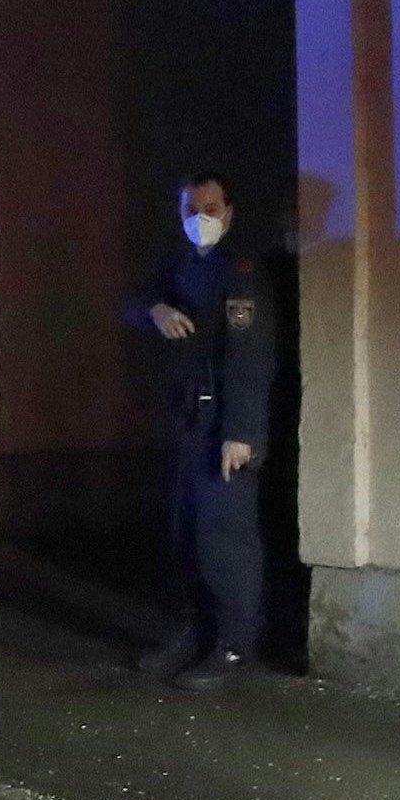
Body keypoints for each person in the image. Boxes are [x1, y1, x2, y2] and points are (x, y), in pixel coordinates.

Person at [127, 172, 277, 690]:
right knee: (187, 533)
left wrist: (242, 432)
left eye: (211, 209)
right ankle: (195, 632)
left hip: (224, 421)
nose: (201, 218)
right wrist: (156, 309)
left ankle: (235, 645)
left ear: (229, 213)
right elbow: (135, 300)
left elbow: (249, 358)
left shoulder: (240, 272)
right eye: (192, 208)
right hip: (189, 419)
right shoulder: (182, 264)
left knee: (226, 537)